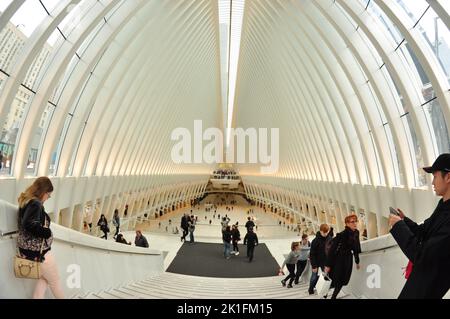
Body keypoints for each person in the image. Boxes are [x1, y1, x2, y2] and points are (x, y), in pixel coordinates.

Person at [389, 153, 450, 299]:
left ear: (448, 177)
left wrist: (398, 227)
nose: (432, 183)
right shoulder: (443, 205)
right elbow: (424, 231)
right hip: (422, 279)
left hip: (428, 287)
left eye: (435, 176)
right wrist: (404, 221)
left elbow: (421, 255)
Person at [17, 176, 64, 299]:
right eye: (48, 195)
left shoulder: (26, 201)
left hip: (29, 252)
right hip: (40, 253)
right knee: (55, 281)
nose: (48, 198)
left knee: (45, 279)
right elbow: (29, 225)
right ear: (43, 192)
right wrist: (47, 232)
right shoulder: (35, 204)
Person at [325, 215, 361, 299]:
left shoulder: (356, 232)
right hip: (338, 260)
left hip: (348, 259)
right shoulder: (341, 235)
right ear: (347, 223)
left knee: (343, 280)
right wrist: (328, 265)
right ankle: (325, 294)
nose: (355, 223)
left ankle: (333, 297)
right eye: (352, 222)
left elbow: (356, 247)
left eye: (356, 221)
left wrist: (357, 261)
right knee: (335, 279)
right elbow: (332, 250)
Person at [308, 224, 333, 294]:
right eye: (324, 232)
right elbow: (312, 254)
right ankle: (310, 289)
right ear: (320, 231)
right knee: (314, 276)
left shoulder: (330, 239)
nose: (325, 234)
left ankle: (324, 290)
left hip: (326, 262)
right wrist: (314, 266)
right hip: (316, 261)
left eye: (327, 232)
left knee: (325, 276)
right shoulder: (315, 241)